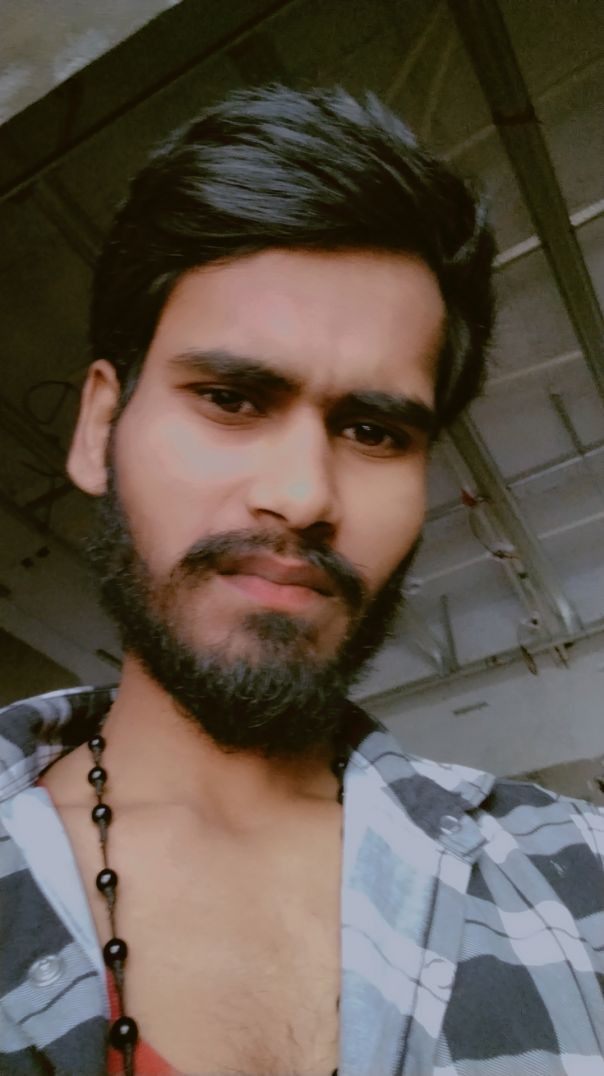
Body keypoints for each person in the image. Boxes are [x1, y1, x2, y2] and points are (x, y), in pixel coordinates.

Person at [0, 85, 602, 1076]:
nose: (303, 495)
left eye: (374, 430)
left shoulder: (575, 877)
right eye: (231, 398)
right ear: (100, 428)